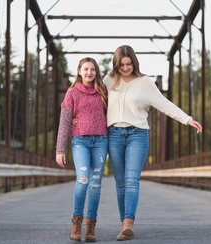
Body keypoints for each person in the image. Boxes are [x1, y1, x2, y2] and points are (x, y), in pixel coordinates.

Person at [104, 45, 202, 241]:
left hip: (137, 135)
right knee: (120, 182)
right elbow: (93, 102)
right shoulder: (108, 80)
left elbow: (164, 104)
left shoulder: (145, 83)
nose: (125, 68)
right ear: (116, 65)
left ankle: (128, 223)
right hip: (114, 134)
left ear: (134, 62)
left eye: (128, 64)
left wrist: (187, 119)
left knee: (132, 180)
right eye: (121, 65)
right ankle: (123, 221)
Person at [55, 57, 108, 242]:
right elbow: (64, 122)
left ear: (96, 72)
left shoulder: (103, 92)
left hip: (101, 140)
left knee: (95, 183)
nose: (89, 73)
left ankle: (91, 225)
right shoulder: (72, 93)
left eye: (93, 69)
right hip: (80, 141)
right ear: (79, 71)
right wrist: (59, 149)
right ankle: (76, 221)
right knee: (83, 179)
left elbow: (114, 113)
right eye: (86, 69)